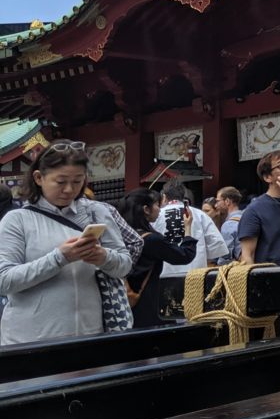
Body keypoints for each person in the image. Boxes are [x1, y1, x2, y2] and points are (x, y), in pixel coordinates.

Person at [0, 142, 132, 345]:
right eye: (60, 182)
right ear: (38, 178)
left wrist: (103, 257)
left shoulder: (96, 212)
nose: (69, 190)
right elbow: (4, 280)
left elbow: (124, 265)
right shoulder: (17, 220)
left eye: (78, 181)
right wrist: (59, 258)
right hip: (30, 340)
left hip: (91, 336)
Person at [117, 188, 197, 328]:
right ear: (146, 210)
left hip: (124, 301)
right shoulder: (151, 240)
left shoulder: (121, 236)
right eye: (156, 205)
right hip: (148, 303)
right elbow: (185, 255)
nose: (160, 209)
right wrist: (187, 228)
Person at [153, 178, 227, 278]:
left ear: (164, 196)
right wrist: (201, 255)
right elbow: (217, 244)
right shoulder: (199, 214)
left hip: (163, 273)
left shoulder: (156, 216)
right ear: (183, 196)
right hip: (196, 273)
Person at [213, 187, 243, 265]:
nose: (216, 205)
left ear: (227, 201)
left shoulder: (229, 224)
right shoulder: (246, 218)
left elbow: (225, 256)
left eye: (218, 201)